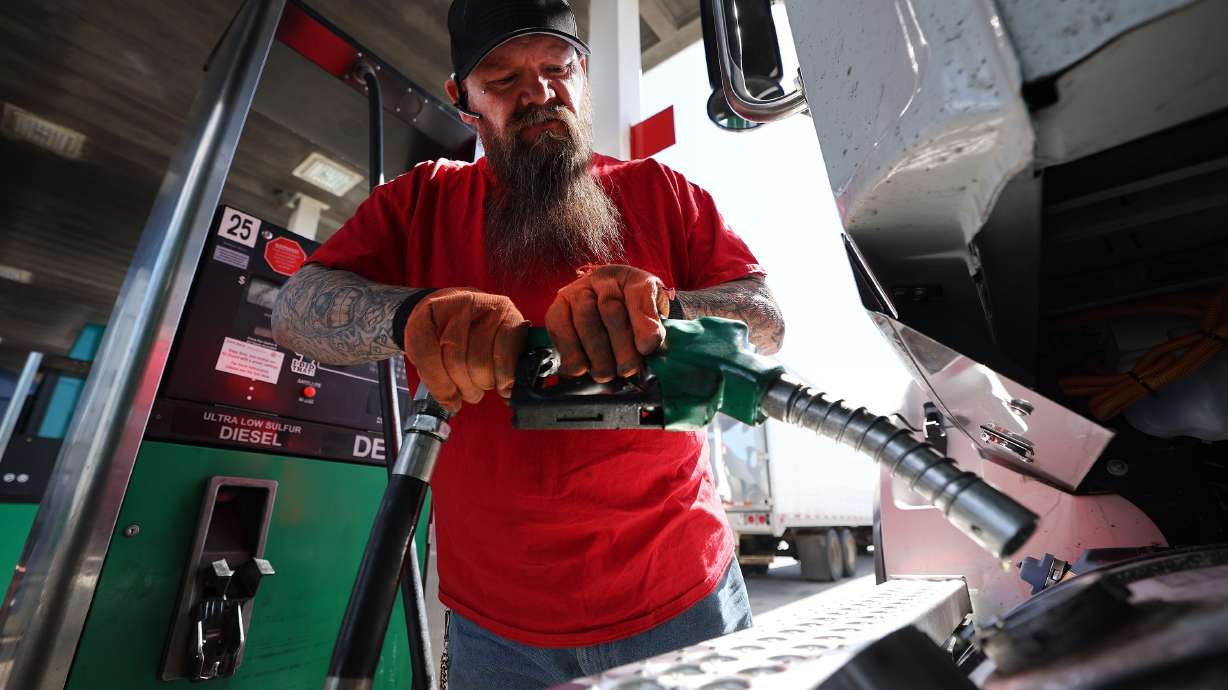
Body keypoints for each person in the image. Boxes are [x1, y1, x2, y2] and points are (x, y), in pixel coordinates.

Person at [272, 1, 784, 686]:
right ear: (463, 101)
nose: (540, 92)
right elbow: (294, 309)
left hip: (684, 599)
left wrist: (667, 310)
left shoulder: (662, 191)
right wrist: (413, 317)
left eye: (556, 66)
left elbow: (765, 317)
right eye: (504, 77)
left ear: (583, 75)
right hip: (496, 634)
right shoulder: (419, 202)